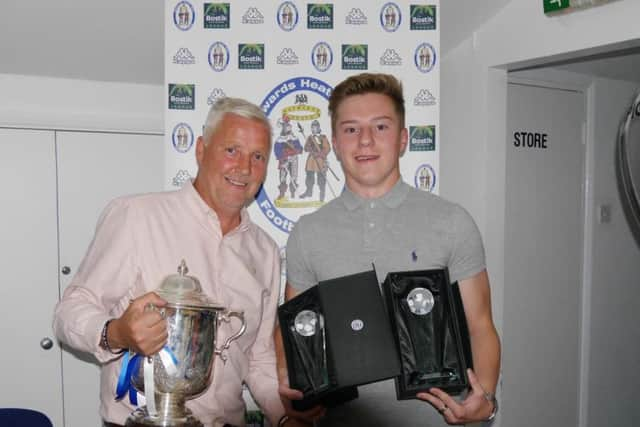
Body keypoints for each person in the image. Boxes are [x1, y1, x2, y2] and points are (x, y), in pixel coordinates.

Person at [276, 73, 501, 427]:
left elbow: (481, 325)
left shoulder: (453, 221)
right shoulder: (307, 233)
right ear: (334, 142)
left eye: (380, 127)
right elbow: (295, 327)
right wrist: (287, 377)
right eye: (350, 129)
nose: (365, 140)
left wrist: (485, 397)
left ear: (403, 139)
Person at [53, 97, 286, 427]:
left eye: (257, 156)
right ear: (202, 150)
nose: (244, 168)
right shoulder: (136, 216)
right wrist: (116, 333)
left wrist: (287, 416)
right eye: (232, 150)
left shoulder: (266, 252)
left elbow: (258, 358)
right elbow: (68, 312)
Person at [299, 119, 331, 202]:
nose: (313, 129)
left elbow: (327, 148)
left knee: (321, 178)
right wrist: (308, 147)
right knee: (309, 177)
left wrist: (319, 154)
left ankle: (322, 194)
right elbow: (305, 148)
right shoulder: (310, 138)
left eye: (314, 127)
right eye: (312, 127)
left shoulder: (323, 137)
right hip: (311, 160)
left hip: (320, 160)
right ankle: (309, 192)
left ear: (318, 128)